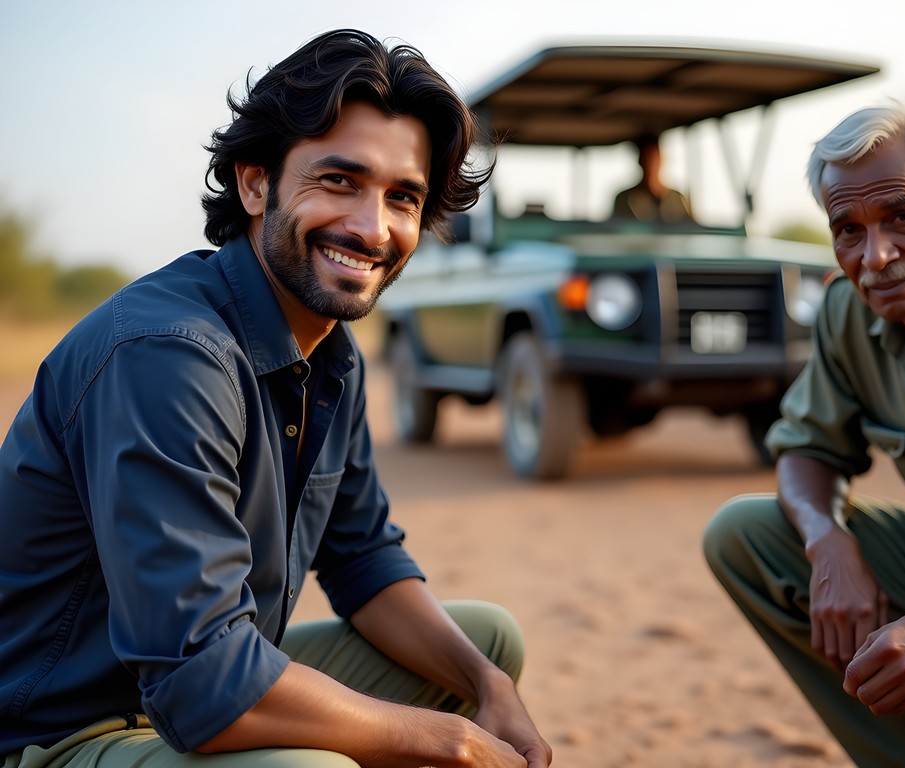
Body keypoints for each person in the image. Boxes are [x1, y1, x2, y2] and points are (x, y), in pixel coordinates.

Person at [0, 29, 552, 768]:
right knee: (312, 767)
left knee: (486, 643)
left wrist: (487, 687)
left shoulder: (330, 352)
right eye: (340, 181)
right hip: (64, 729)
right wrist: (438, 738)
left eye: (403, 198)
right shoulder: (170, 354)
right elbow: (200, 679)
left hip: (196, 683)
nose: (372, 227)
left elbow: (361, 560)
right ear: (255, 184)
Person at [703, 102, 905, 767]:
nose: (875, 257)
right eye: (847, 229)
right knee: (748, 535)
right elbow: (807, 446)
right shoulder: (849, 312)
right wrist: (828, 543)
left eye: (903, 217)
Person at [611, 133, 692, 222]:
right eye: (647, 159)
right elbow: (616, 229)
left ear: (662, 160)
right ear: (640, 162)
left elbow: (688, 227)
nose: (651, 165)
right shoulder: (624, 199)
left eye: (655, 158)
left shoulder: (676, 198)